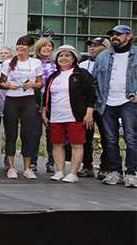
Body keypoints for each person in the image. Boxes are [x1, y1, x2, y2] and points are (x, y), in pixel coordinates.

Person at [41, 45, 96, 183]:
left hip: (75, 115)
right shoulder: (53, 76)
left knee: (77, 144)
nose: (63, 58)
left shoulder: (81, 74)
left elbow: (91, 94)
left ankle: (73, 173)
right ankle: (59, 171)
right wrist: (44, 112)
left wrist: (89, 112)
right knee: (57, 144)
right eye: (61, 55)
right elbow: (46, 96)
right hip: (56, 116)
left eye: (67, 55)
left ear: (74, 58)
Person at [92, 25, 136, 187]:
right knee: (110, 139)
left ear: (129, 36)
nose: (114, 37)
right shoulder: (103, 56)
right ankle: (115, 171)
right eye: (112, 35)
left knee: (131, 138)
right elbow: (94, 80)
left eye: (119, 34)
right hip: (107, 103)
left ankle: (131, 173)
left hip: (129, 102)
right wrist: (97, 100)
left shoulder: (136, 54)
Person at [0, 35, 43, 179]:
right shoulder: (8, 63)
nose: (20, 47)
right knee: (11, 134)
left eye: (24, 45)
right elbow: (1, 82)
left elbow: (40, 83)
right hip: (12, 100)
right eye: (18, 45)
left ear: (30, 47)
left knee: (27, 134)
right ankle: (11, 167)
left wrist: (31, 84)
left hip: (28, 100)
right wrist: (9, 85)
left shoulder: (35, 62)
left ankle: (27, 168)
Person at [78, 36, 109, 178]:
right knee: (86, 137)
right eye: (91, 45)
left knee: (107, 137)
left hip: (105, 105)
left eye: (97, 45)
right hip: (87, 106)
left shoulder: (111, 63)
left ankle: (105, 167)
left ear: (106, 47)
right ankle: (87, 166)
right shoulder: (83, 65)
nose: (92, 48)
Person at [33, 37, 57, 173]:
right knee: (35, 132)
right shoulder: (34, 63)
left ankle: (51, 162)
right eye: (44, 46)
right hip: (37, 98)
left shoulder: (56, 63)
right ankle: (33, 161)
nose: (48, 48)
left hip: (52, 100)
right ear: (39, 48)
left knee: (52, 132)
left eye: (50, 46)